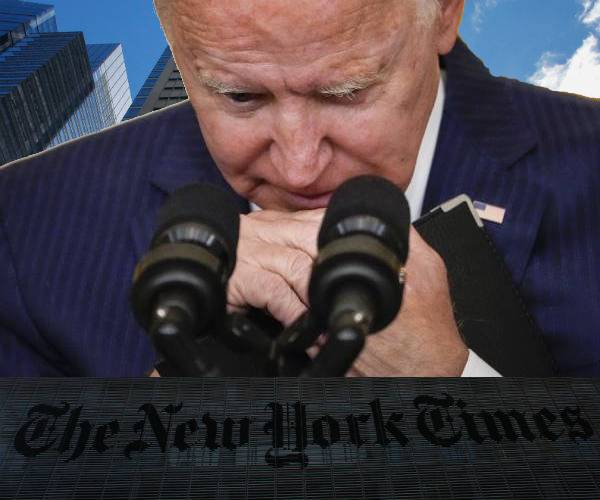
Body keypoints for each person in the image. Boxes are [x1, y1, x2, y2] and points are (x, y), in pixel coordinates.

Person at [0, 0, 598, 377]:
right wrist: (163, 425)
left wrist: (458, 386)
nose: (300, 166)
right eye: (241, 96)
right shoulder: (26, 228)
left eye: (346, 93)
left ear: (444, 12)